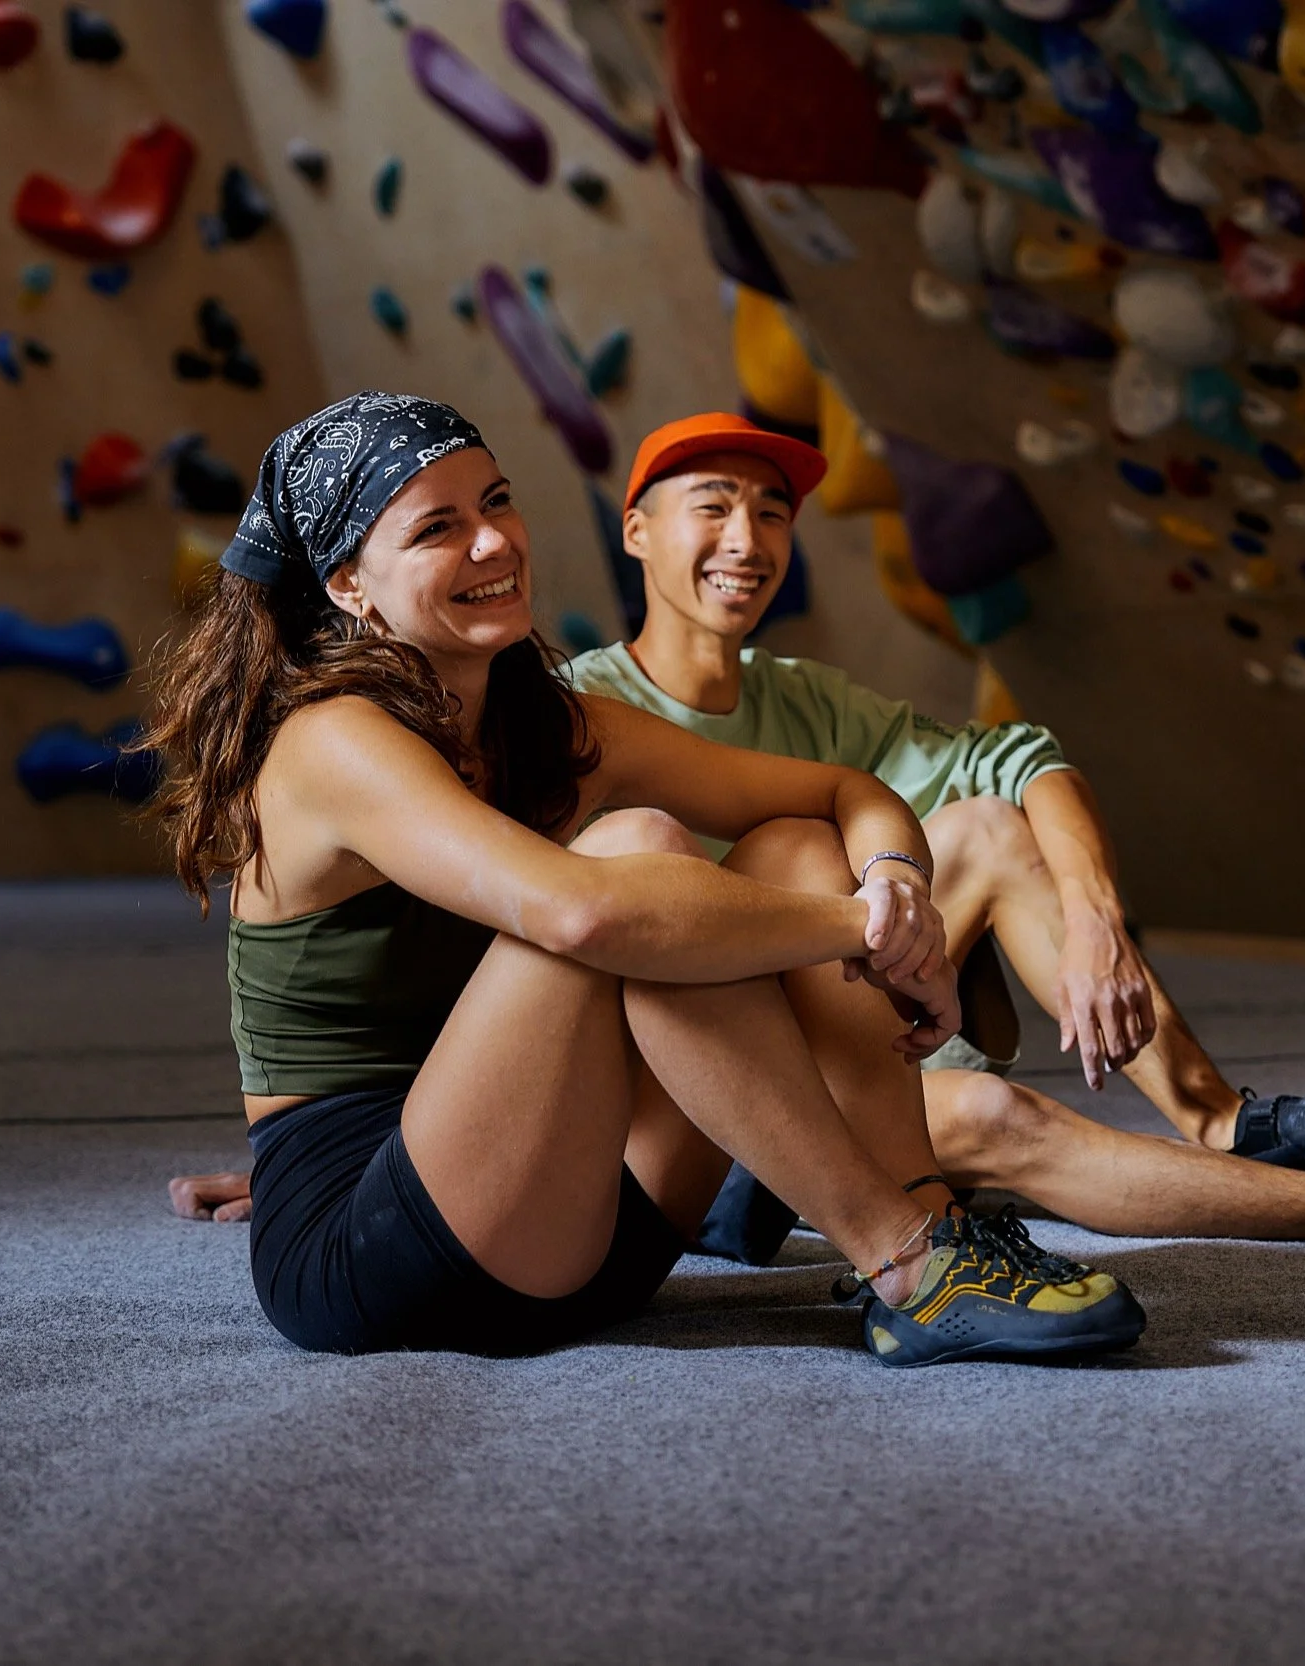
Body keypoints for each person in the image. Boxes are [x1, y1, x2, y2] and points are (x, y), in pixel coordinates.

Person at [140, 391, 1147, 1366]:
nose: (493, 543)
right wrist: (861, 931)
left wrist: (896, 888)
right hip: (380, 1252)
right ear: (350, 584)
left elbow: (848, 790)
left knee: (790, 839)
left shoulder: (546, 717)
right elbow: (579, 913)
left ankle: (931, 1218)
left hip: (583, 1221)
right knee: (633, 862)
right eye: (437, 527)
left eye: (496, 502)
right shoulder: (332, 741)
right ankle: (905, 1258)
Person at [567, 413, 1305, 1262]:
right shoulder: (578, 711)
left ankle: (1215, 1116)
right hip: (697, 1086)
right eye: (713, 506)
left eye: (771, 511)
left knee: (985, 823)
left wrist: (1099, 921)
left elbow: (1019, 756)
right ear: (637, 532)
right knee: (985, 1113)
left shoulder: (805, 701)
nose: (747, 539)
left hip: (833, 1028)